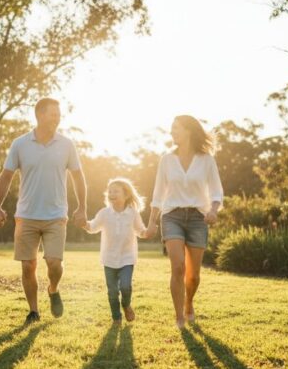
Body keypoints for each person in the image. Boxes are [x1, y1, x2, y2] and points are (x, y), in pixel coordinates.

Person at [0, 98, 88, 325]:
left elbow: (78, 177)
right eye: (52, 114)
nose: (57, 118)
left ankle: (53, 289)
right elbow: (6, 176)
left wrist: (82, 207)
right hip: (26, 216)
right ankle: (33, 311)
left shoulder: (66, 144)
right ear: (39, 115)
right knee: (28, 265)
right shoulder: (20, 144)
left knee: (54, 263)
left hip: (56, 215)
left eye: (58, 114)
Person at [145, 115, 223, 329]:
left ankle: (189, 304)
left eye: (176, 128)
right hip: (172, 216)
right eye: (171, 128)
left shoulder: (206, 159)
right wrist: (152, 222)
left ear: (189, 130)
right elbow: (158, 194)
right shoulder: (167, 159)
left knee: (194, 275)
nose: (172, 132)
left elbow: (216, 191)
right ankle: (179, 315)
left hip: (198, 218)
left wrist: (213, 211)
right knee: (178, 266)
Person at [83, 178, 147, 323]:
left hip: (127, 257)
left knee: (125, 286)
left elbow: (140, 230)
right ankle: (116, 318)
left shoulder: (132, 213)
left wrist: (146, 232)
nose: (112, 193)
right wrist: (84, 224)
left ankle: (126, 304)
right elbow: (93, 227)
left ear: (126, 195)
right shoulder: (104, 213)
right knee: (112, 291)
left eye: (116, 191)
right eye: (110, 191)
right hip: (109, 258)